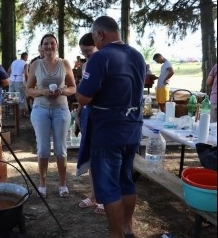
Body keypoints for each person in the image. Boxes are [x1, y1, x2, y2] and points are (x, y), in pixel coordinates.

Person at [75, 16, 145, 238]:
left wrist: (78, 89)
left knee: (108, 186)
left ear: (100, 34)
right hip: (132, 129)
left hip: (108, 133)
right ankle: (127, 227)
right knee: (126, 179)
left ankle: (116, 234)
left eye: (95, 36)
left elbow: (84, 97)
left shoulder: (99, 57)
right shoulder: (137, 55)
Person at [26, 33, 76, 198]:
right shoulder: (36, 64)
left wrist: (61, 91)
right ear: (41, 47)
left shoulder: (65, 63)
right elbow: (28, 90)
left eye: (52, 43)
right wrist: (43, 92)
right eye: (45, 44)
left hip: (61, 109)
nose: (49, 46)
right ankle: (42, 184)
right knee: (43, 150)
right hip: (40, 110)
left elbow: (73, 88)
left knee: (61, 151)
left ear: (57, 46)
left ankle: (63, 184)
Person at [75, 32, 105, 215]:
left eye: (88, 51)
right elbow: (82, 93)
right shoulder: (86, 65)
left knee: (103, 159)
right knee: (92, 158)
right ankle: (94, 195)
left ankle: (104, 198)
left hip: (102, 116)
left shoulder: (103, 62)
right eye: (83, 52)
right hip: (88, 113)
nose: (86, 54)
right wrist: (78, 113)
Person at [8, 52, 29, 117]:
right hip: (19, 80)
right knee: (21, 96)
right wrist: (27, 82)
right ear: (26, 57)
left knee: (12, 95)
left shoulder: (14, 62)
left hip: (12, 80)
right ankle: (22, 112)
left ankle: (13, 112)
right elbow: (26, 74)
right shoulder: (25, 63)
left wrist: (10, 79)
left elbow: (8, 71)